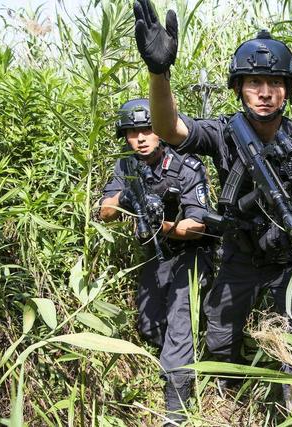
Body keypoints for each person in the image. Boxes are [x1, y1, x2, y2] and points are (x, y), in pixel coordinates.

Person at [133, 0, 292, 413]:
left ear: (289, 90)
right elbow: (167, 128)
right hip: (238, 255)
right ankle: (228, 402)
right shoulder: (225, 133)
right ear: (238, 88)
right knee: (220, 339)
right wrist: (159, 73)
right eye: (253, 83)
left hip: (288, 259)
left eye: (276, 83)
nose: (265, 93)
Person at [99, 98, 213, 424]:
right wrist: (126, 198)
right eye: (133, 132)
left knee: (179, 327)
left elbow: (198, 226)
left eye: (147, 129)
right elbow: (104, 211)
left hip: (191, 253)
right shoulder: (126, 167)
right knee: (149, 326)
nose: (141, 138)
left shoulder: (186, 165)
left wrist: (161, 224)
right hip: (155, 254)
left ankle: (175, 412)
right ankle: (176, 357)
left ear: (160, 131)